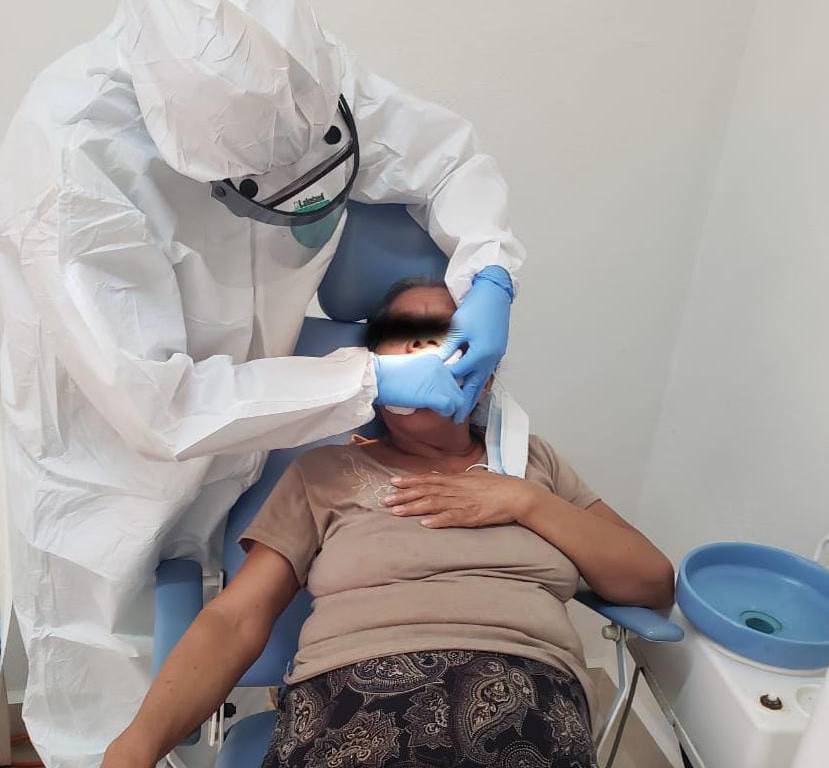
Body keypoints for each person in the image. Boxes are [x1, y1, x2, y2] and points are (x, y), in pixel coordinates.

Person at [0, 1, 526, 764]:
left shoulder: (289, 72)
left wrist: (489, 269)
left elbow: (443, 158)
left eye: (444, 337)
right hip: (109, 444)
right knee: (112, 688)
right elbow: (159, 410)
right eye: (408, 339)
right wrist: (366, 379)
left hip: (263, 408)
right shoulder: (73, 160)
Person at [103, 279, 675, 768]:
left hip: (530, 707)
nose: (424, 344)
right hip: (351, 706)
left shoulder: (533, 464)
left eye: (445, 332)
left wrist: (525, 502)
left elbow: (650, 582)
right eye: (403, 333)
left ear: (487, 370)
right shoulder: (325, 473)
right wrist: (135, 747)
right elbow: (236, 619)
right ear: (371, 373)